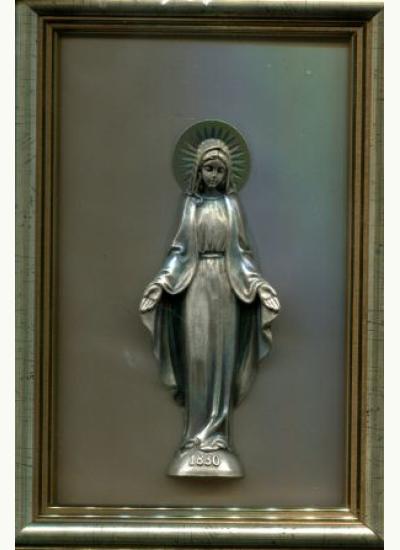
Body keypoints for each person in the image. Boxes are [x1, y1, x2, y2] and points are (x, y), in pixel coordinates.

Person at [140, 137, 280, 476]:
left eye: (219, 169)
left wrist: (259, 286)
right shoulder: (191, 206)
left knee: (222, 360)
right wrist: (161, 283)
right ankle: (194, 437)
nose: (214, 175)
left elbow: (242, 254)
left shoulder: (232, 206)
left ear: (227, 173)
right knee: (198, 360)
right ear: (198, 170)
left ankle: (218, 437)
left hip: (227, 288)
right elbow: (179, 252)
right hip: (195, 286)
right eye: (208, 168)